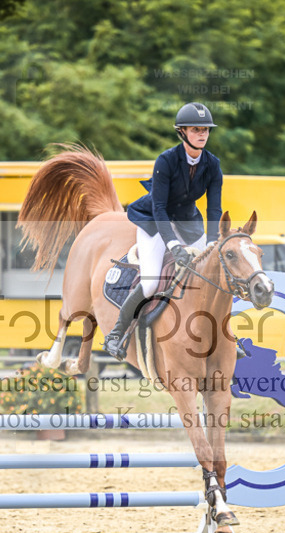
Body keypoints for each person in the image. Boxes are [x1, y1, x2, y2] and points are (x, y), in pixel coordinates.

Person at [103, 102, 223, 360]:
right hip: (154, 223)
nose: (202, 134)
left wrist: (213, 242)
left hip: (188, 224)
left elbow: (215, 209)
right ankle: (115, 334)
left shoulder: (213, 165)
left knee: (212, 277)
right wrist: (173, 246)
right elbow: (158, 208)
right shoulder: (166, 161)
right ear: (182, 132)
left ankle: (224, 337)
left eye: (205, 129)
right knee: (150, 284)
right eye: (196, 129)